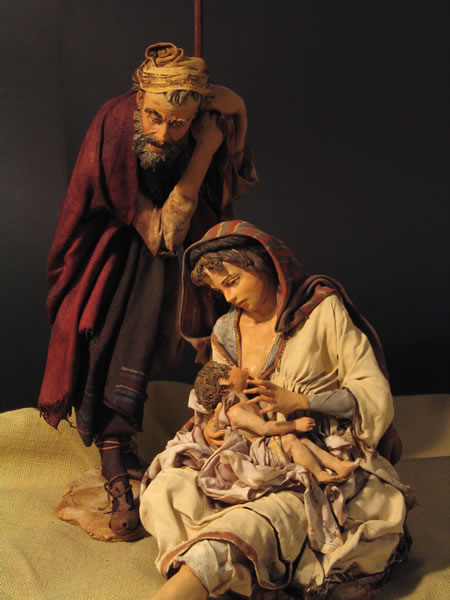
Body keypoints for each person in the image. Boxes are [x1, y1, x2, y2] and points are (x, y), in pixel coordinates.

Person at [38, 43, 257, 536]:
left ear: (195, 115)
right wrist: (203, 151)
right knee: (120, 330)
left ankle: (128, 443)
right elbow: (163, 235)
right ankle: (115, 452)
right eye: (154, 117)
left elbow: (227, 187)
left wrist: (233, 114)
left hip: (163, 254)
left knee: (185, 307)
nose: (162, 134)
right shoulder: (115, 127)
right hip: (111, 250)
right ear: (139, 99)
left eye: (178, 124)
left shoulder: (192, 125)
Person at [139, 220, 414, 599]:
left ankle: (206, 570)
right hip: (244, 451)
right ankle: (217, 562)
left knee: (269, 516)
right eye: (219, 290)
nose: (229, 296)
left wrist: (303, 402)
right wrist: (211, 426)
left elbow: (371, 391)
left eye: (233, 281)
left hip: (311, 448)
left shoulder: (321, 313)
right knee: (165, 489)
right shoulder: (226, 330)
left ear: (264, 264)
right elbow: (218, 398)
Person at [194, 360, 360, 485]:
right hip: (261, 453)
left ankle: (338, 465)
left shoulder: (244, 402)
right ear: (224, 382)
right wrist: (294, 425)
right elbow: (264, 428)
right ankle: (319, 474)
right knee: (292, 441)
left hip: (267, 443)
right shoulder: (236, 411)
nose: (236, 367)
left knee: (303, 442)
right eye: (230, 369)